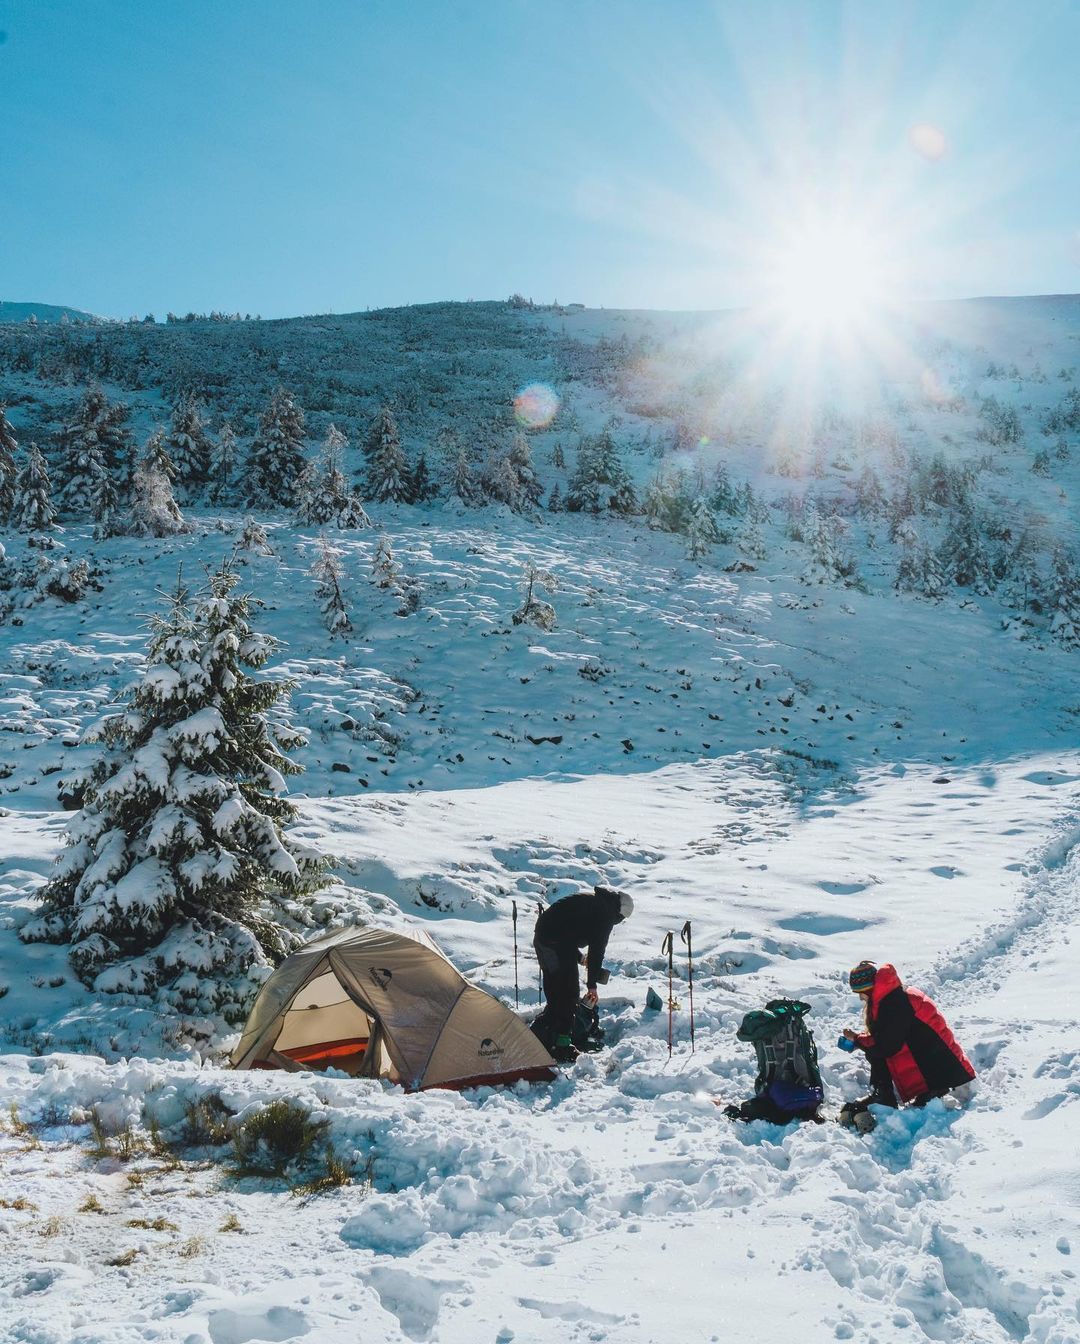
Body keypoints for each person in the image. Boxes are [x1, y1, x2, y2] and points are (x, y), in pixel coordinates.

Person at [839, 960, 975, 1130]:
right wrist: (860, 1041)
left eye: (861, 993)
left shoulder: (895, 1003)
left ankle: (885, 1096)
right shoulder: (892, 996)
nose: (860, 998)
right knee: (873, 1048)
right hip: (940, 1065)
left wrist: (858, 1040)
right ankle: (886, 1094)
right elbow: (886, 1037)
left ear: (869, 989)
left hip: (942, 1070)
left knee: (876, 1050)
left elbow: (886, 1046)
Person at [533, 886, 633, 1063]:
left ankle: (544, 1036)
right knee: (569, 993)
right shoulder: (605, 915)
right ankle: (562, 1046)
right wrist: (592, 985)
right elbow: (597, 952)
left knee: (556, 991)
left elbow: (567, 929)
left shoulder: (596, 902)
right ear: (619, 913)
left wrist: (579, 958)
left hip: (544, 938)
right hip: (555, 944)